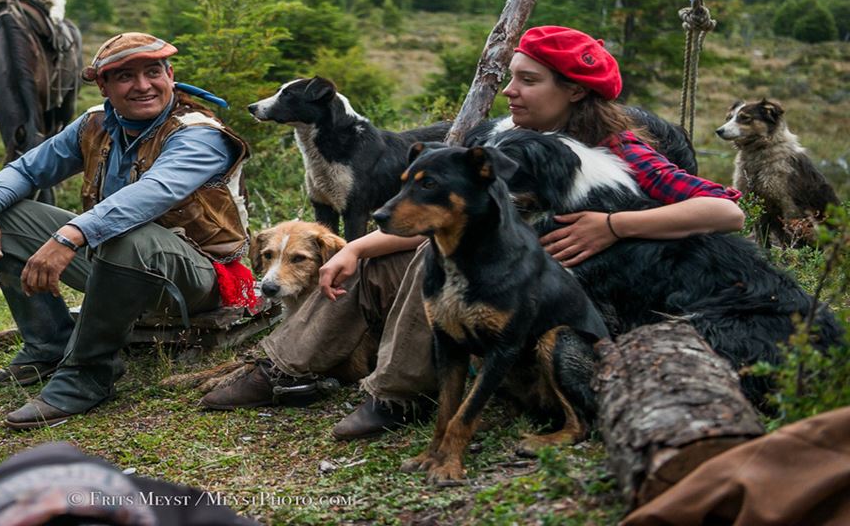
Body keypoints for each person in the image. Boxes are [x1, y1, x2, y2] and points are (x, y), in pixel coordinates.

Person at [201, 25, 744, 440]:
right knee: (364, 257)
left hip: (543, 298)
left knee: (438, 256)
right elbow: (437, 213)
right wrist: (361, 244)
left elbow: (727, 212)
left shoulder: (620, 150)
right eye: (511, 77)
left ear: (575, 92)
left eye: (527, 81)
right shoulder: (501, 138)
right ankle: (282, 368)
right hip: (493, 279)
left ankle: (394, 396)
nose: (510, 91)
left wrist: (611, 224)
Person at [0, 32, 253, 429]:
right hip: (117, 262)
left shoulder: (199, 133)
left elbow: (153, 193)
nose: (143, 86)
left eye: (153, 72)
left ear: (170, 74)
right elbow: (29, 169)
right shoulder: (97, 125)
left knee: (128, 234)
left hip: (198, 278)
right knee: (9, 217)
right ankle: (49, 345)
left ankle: (88, 373)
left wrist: (68, 236)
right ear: (104, 86)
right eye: (125, 77)